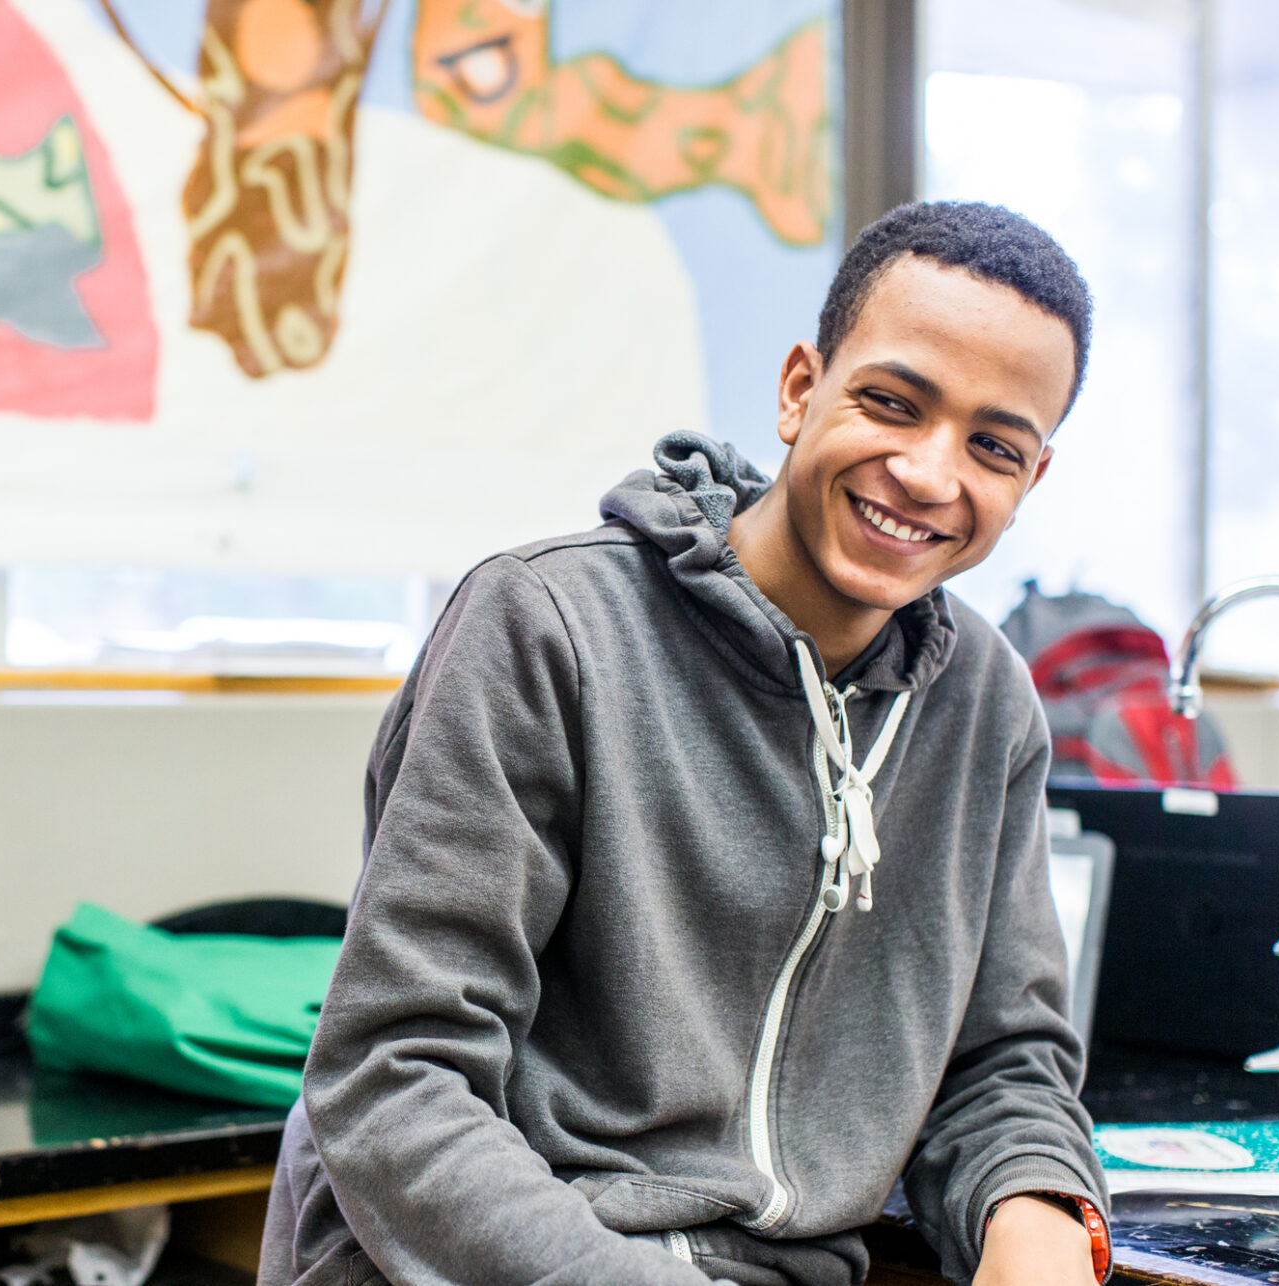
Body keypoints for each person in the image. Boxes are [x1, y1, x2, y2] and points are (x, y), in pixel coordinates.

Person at [260, 202, 1112, 1286]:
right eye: (893, 402)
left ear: (1030, 478)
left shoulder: (986, 704)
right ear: (800, 389)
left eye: (993, 444)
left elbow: (1005, 1064)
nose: (931, 473)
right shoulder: (545, 625)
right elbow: (394, 1078)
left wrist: (1036, 1211)